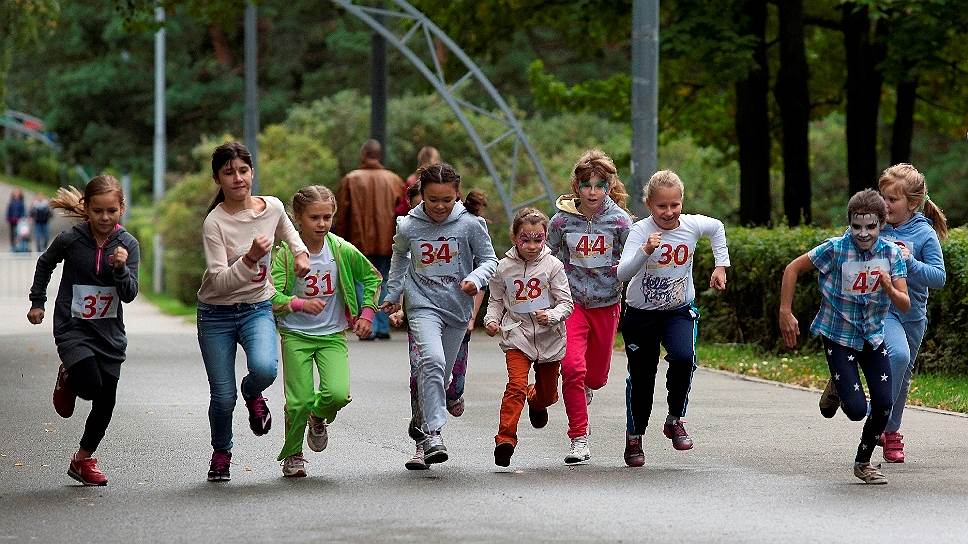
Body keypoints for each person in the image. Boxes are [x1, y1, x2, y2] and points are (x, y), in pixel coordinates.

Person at [779, 189, 910, 485]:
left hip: (872, 336)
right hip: (839, 335)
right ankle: (839, 384)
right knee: (855, 410)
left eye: (871, 226)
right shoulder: (835, 249)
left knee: (884, 403)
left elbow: (904, 302)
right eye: (857, 226)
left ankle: (863, 463)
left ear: (882, 223)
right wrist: (785, 312)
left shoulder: (891, 254)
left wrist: (891, 291)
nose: (863, 233)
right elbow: (792, 268)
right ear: (849, 223)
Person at [196, 141, 310, 482]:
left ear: (252, 172)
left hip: (257, 306)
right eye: (229, 173)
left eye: (243, 171)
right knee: (222, 395)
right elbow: (218, 282)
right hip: (216, 313)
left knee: (264, 368)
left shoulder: (271, 206)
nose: (237, 178)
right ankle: (221, 452)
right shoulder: (214, 224)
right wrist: (248, 259)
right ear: (218, 178)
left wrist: (301, 253)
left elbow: (288, 231)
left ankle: (253, 391)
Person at [381, 163, 497, 465]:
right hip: (422, 305)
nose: (440, 206)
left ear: (457, 195)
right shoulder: (409, 225)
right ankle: (432, 433)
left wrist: (476, 278)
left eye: (447, 200)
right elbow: (400, 257)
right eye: (433, 200)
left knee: (441, 374)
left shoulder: (469, 224)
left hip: (457, 308)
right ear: (422, 194)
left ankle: (425, 422)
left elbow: (489, 259)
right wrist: (393, 294)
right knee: (430, 361)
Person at [26, 177, 140, 486]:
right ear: (87, 209)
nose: (105, 218)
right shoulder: (70, 240)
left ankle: (82, 459)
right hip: (73, 327)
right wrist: (38, 301)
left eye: (111, 211)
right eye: (98, 211)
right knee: (89, 385)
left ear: (121, 209)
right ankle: (70, 376)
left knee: (106, 401)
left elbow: (129, 294)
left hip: (109, 334)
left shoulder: (128, 245)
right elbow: (45, 263)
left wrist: (120, 269)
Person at [616, 170, 730, 467]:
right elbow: (622, 273)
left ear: (682, 202)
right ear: (649, 204)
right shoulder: (641, 231)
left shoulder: (691, 225)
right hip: (641, 315)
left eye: (674, 205)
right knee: (643, 378)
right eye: (661, 206)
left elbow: (717, 228)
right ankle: (634, 438)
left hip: (678, 310)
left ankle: (674, 419)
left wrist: (721, 266)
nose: (668, 212)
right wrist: (646, 251)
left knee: (683, 357)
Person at [270, 185, 382, 477]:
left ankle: (318, 416)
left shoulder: (341, 250)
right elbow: (269, 295)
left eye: (327, 217)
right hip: (296, 335)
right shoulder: (284, 255)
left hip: (332, 335)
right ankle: (293, 455)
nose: (321, 224)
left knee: (336, 394)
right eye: (314, 218)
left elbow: (372, 278)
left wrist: (367, 314)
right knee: (299, 400)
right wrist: (298, 304)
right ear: (297, 218)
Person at [546, 149, 632, 464]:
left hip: (607, 303)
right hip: (572, 305)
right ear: (577, 187)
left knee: (594, 377)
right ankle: (579, 439)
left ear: (609, 187)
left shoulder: (620, 222)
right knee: (571, 368)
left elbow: (634, 259)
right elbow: (545, 255)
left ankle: (587, 388)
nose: (593, 191)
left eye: (599, 185)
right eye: (586, 185)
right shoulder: (561, 221)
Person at [483, 208, 573, 467]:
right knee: (515, 386)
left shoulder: (553, 266)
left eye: (538, 239)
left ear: (545, 238)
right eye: (525, 239)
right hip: (517, 336)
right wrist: (491, 320)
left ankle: (537, 401)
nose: (532, 246)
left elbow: (566, 303)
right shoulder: (503, 268)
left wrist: (553, 315)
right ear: (514, 237)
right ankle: (505, 439)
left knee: (548, 396)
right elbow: (497, 300)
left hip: (549, 339)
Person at [876, 164, 947, 463]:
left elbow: (939, 277)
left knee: (902, 377)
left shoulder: (923, 233)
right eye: (883, 198)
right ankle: (873, 412)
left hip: (913, 316)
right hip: (883, 310)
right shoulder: (873, 224)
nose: (885, 205)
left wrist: (910, 262)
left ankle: (890, 432)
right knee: (899, 357)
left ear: (913, 202)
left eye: (893, 200)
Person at [335, 139, 405, 340]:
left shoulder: (351, 179)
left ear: (363, 155)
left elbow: (343, 214)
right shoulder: (394, 180)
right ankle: (382, 326)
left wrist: (339, 241)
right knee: (382, 280)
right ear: (379, 155)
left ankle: (368, 325)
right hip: (387, 240)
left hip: (358, 241)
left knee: (360, 280)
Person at [396, 146, 440, 217]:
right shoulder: (444, 182)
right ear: (437, 160)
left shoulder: (411, 181)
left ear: (420, 160)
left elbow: (403, 208)